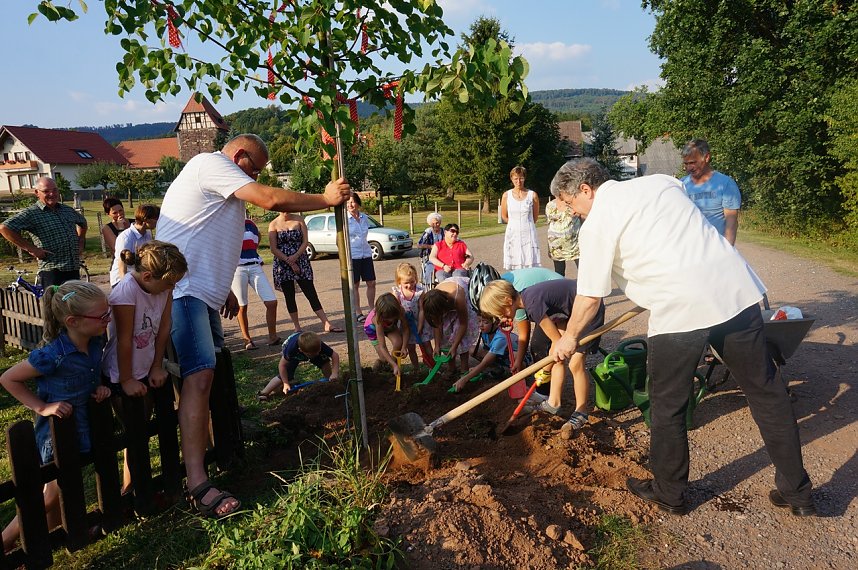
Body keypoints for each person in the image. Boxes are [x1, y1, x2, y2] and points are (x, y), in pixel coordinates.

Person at [551, 158, 815, 517]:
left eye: (569, 203)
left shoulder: (596, 226)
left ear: (585, 189)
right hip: (733, 288)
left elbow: (589, 297)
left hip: (681, 308)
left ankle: (669, 492)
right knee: (767, 392)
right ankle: (798, 494)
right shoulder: (659, 182)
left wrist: (568, 339)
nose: (571, 211)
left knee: (667, 405)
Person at [156, 133, 350, 519]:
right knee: (197, 380)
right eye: (255, 168)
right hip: (184, 293)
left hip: (201, 293)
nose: (256, 176)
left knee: (200, 381)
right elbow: (271, 199)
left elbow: (206, 234)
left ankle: (200, 464)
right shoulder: (212, 164)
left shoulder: (221, 182)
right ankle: (197, 484)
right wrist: (325, 200)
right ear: (239, 155)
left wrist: (222, 286)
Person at [1, 281, 112, 551]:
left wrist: (99, 387)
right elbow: (8, 378)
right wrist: (42, 407)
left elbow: (90, 376)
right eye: (102, 316)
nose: (108, 320)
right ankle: (5, 541)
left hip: (82, 426)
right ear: (73, 321)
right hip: (55, 435)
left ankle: (55, 533)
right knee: (50, 494)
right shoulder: (53, 355)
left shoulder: (96, 343)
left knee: (67, 484)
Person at [102, 241, 188, 497]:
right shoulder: (124, 293)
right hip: (121, 372)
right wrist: (127, 379)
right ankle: (133, 489)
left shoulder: (163, 288)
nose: (172, 288)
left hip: (145, 370)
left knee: (141, 429)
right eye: (170, 283)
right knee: (134, 433)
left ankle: (134, 487)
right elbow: (125, 339)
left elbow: (163, 329)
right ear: (148, 276)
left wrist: (155, 366)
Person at [480, 278, 605, 438]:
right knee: (557, 358)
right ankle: (553, 403)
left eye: (500, 312)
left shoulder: (532, 304)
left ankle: (581, 411)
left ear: (507, 300)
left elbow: (557, 341)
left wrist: (545, 370)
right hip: (568, 312)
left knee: (576, 363)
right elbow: (556, 343)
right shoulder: (527, 299)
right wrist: (547, 368)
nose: (501, 318)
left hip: (587, 308)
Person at [0, 177, 87, 287]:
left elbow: (82, 222)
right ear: (37, 193)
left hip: (73, 269)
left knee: (75, 303)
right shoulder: (32, 213)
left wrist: (81, 241)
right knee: (55, 303)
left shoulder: (66, 210)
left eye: (55, 190)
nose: (52, 194)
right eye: (46, 191)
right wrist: (31, 249)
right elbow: (4, 228)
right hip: (52, 270)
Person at [268, 211, 342, 335]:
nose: (285, 209)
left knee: (310, 292)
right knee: (289, 296)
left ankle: (326, 323)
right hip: (283, 264)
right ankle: (297, 326)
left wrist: (296, 257)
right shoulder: (273, 224)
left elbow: (305, 241)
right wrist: (289, 261)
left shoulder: (299, 220)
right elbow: (273, 248)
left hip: (301, 261)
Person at [230, 218, 280, 350]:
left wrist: (252, 253)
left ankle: (272, 337)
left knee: (271, 302)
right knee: (242, 305)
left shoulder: (250, 223)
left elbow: (257, 235)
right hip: (237, 268)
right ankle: (247, 339)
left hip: (254, 265)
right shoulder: (226, 222)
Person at [681, 139, 741, 245]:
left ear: (707, 157)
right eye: (686, 164)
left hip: (715, 248)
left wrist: (727, 250)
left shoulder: (726, 184)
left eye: (693, 163)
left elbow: (731, 223)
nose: (689, 168)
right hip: (689, 249)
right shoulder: (680, 185)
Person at [421, 276, 480, 376]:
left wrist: (455, 346)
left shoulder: (458, 299)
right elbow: (437, 325)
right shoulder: (432, 303)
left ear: (444, 309)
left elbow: (463, 324)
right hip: (444, 304)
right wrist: (437, 345)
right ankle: (451, 367)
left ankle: (464, 367)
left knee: (461, 336)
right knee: (446, 334)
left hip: (463, 298)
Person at [258, 331, 341, 399]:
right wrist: (286, 383)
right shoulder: (291, 350)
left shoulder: (317, 345)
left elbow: (335, 355)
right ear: (301, 351)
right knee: (286, 374)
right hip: (294, 355)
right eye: (313, 354)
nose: (317, 354)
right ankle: (264, 392)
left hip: (309, 349)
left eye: (318, 351)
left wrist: (334, 373)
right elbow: (281, 365)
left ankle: (331, 383)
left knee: (324, 363)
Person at [451, 313, 521, 393]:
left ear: (495, 323)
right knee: (473, 350)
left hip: (517, 359)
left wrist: (464, 379)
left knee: (515, 356)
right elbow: (486, 353)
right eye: (479, 321)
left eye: (485, 322)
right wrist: (477, 368)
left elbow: (485, 362)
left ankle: (519, 375)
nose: (481, 325)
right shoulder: (485, 333)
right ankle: (498, 369)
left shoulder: (501, 337)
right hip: (501, 357)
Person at [391, 263, 434, 369]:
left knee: (426, 345)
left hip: (420, 322)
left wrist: (420, 326)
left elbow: (422, 310)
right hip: (406, 325)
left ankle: (432, 365)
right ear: (399, 282)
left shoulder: (419, 291)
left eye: (412, 282)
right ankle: (416, 368)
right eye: (406, 283)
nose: (410, 285)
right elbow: (395, 309)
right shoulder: (397, 292)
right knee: (410, 348)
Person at [109, 204, 160, 287]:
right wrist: (125, 286)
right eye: (156, 219)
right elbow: (122, 264)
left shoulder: (148, 233)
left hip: (137, 277)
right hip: (121, 280)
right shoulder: (126, 237)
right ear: (146, 220)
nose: (158, 222)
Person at [501, 165, 541, 270]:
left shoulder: (532, 195)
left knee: (529, 262)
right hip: (513, 233)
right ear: (512, 179)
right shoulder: (506, 195)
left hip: (528, 233)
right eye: (516, 179)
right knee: (514, 262)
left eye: (521, 178)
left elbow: (535, 217)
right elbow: (504, 216)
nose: (518, 181)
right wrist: (513, 224)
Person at [363, 293, 410, 377]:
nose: (391, 319)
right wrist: (394, 364)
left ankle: (392, 367)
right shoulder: (378, 320)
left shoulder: (400, 311)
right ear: (381, 314)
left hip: (389, 327)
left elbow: (406, 330)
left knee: (398, 342)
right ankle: (384, 365)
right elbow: (383, 346)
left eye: (393, 317)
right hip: (372, 329)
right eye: (387, 318)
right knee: (384, 359)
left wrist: (404, 347)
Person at [347, 193, 376, 323]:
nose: (350, 205)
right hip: (353, 255)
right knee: (355, 284)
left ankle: (372, 309)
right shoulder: (345, 219)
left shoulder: (364, 217)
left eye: (352, 202)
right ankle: (358, 311)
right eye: (347, 203)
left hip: (366, 253)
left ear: (358, 203)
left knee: (371, 282)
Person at [545, 196, 581, 277]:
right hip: (556, 246)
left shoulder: (574, 203)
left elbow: (583, 216)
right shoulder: (550, 205)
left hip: (575, 244)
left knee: (582, 269)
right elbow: (549, 222)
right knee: (559, 272)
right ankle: (560, 288)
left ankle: (584, 289)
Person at [417, 212, 444, 285]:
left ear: (440, 222)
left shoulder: (444, 232)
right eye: (433, 223)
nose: (435, 225)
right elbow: (419, 245)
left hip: (443, 256)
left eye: (437, 223)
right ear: (430, 224)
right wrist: (431, 246)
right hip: (430, 256)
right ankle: (427, 284)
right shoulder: (428, 232)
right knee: (429, 268)